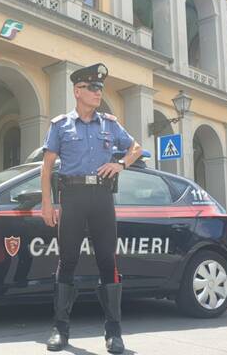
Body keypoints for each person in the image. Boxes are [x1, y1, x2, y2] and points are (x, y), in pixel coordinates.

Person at [41, 63, 142, 353]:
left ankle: (114, 333)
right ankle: (60, 330)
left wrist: (120, 163)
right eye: (93, 88)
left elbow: (136, 147)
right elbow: (47, 167)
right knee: (68, 260)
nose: (99, 92)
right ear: (77, 91)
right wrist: (47, 202)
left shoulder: (109, 123)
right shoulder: (61, 125)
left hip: (101, 198)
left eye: (100, 88)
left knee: (107, 261)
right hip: (71, 198)